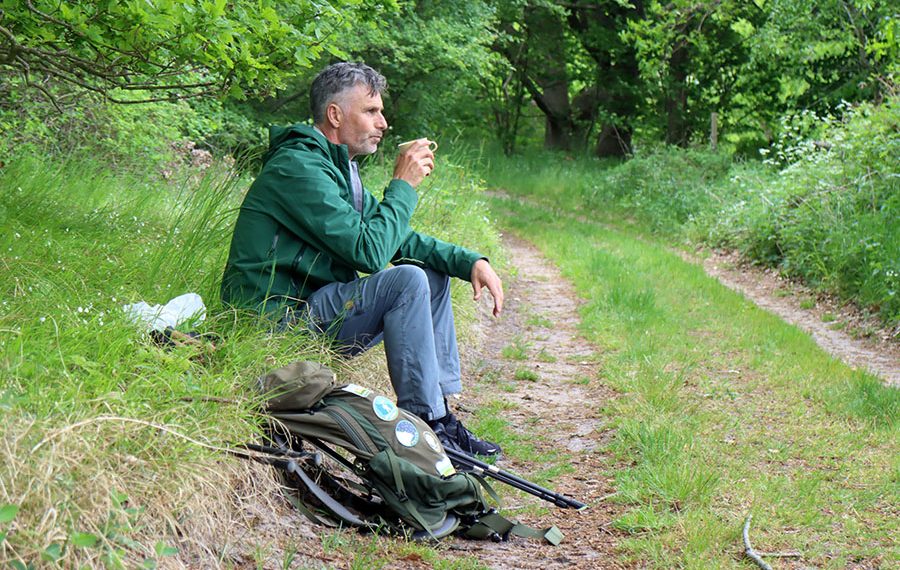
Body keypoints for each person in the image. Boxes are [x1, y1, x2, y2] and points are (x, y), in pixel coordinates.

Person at [221, 62, 504, 457]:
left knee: (432, 276)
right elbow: (370, 254)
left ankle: (441, 417)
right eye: (371, 111)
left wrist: (470, 261)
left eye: (381, 112)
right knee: (405, 281)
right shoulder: (297, 168)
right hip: (275, 325)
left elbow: (396, 239)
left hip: (317, 309)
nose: (383, 123)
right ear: (335, 115)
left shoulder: (338, 170)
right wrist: (403, 185)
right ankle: (426, 424)